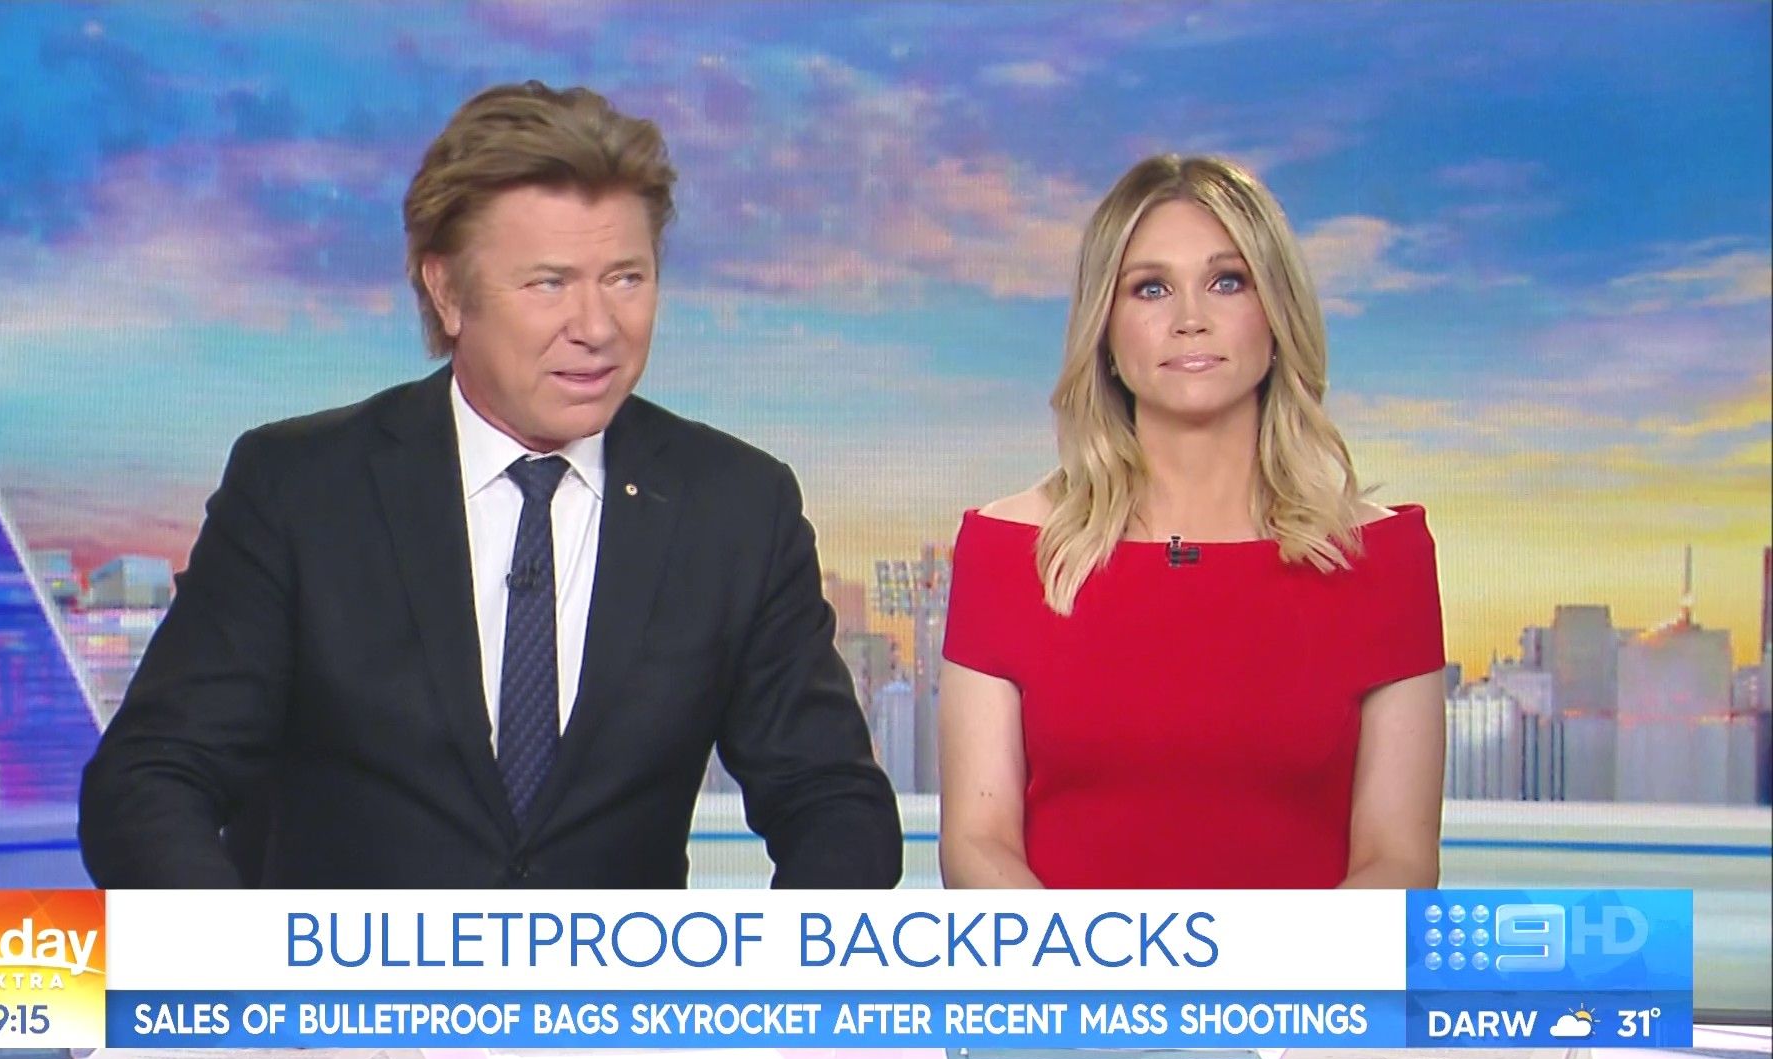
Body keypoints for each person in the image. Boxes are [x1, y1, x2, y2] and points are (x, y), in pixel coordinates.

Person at [78, 82, 902, 889]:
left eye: (626, 278)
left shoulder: (736, 507)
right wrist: (246, 970)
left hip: (615, 983)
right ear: (447, 291)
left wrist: (765, 976)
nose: (597, 327)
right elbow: (151, 778)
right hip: (341, 984)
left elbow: (834, 803)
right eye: (549, 283)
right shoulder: (301, 489)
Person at [938, 154, 1445, 890]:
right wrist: (1099, 966)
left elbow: (1398, 861)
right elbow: (977, 845)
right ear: (1105, 331)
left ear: (1276, 313)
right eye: (1151, 288)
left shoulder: (1382, 557)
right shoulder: (1006, 550)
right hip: (1065, 967)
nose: (1190, 320)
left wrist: (1265, 971)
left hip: (1311, 970)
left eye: (1227, 281)